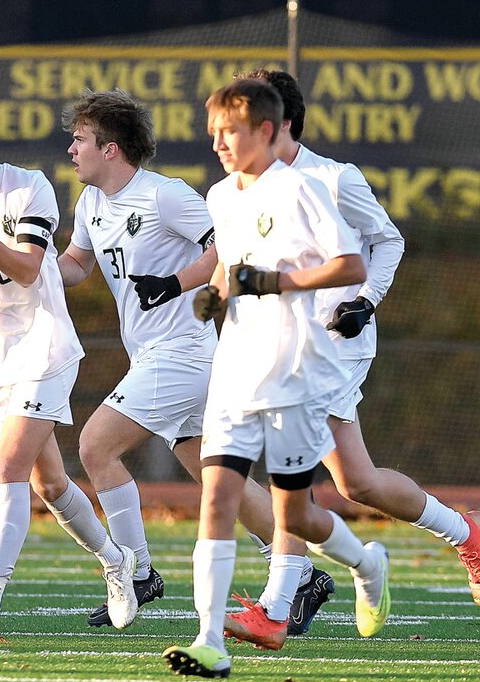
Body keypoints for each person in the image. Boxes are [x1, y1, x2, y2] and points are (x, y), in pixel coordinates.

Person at [218, 69, 480, 654]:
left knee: (290, 473)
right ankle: (463, 530)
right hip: (278, 349)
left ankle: (275, 608)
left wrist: (364, 302)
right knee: (357, 482)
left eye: (243, 125)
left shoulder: (332, 178)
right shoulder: (240, 188)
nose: (227, 138)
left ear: (279, 125)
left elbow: (386, 240)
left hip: (332, 345)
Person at [57, 89, 322, 629]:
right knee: (215, 475)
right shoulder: (90, 204)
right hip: (152, 355)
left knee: (94, 446)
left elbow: (230, 242)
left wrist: (176, 283)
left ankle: (137, 573)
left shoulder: (163, 196)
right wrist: (8, 262)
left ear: (111, 149)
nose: (71, 150)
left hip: (185, 353)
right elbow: (75, 266)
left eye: (80, 140)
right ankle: (295, 570)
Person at [162, 78, 390, 680]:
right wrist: (214, 297)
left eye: (229, 132)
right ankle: (210, 639)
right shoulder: (219, 197)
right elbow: (231, 273)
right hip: (235, 372)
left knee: (296, 518)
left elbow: (352, 263)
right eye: (213, 133)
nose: (218, 144)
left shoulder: (303, 189)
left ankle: (366, 565)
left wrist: (277, 284)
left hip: (294, 374)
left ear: (267, 130)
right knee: (218, 497)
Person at [0, 89, 137, 639]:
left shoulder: (30, 186)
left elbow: (33, 270)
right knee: (49, 481)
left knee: (8, 464)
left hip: (46, 341)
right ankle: (117, 561)